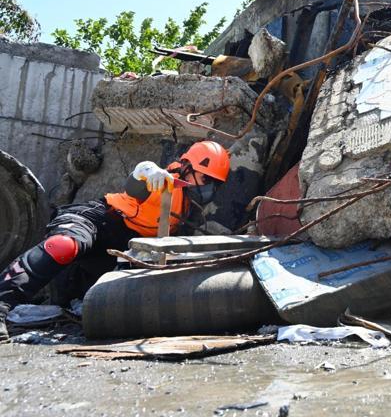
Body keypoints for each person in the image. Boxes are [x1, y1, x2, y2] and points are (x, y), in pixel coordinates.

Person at [0, 140, 231, 343]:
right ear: (187, 167)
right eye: (205, 179)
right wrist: (145, 170)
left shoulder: (189, 205)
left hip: (123, 247)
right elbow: (135, 185)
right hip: (99, 220)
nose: (209, 188)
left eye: (215, 184)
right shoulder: (162, 180)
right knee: (63, 245)